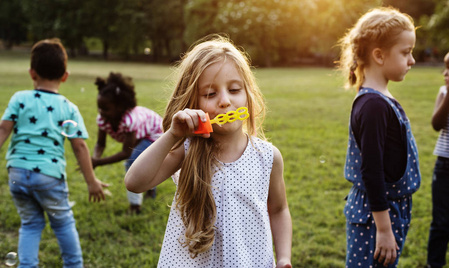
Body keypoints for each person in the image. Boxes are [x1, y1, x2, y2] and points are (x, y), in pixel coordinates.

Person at [124, 35, 292, 267]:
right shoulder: (187, 150)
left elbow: (280, 209)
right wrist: (173, 135)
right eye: (210, 94)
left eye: (234, 89)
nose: (224, 101)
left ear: (248, 94)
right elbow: (135, 182)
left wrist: (283, 257)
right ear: (193, 103)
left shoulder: (267, 157)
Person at [0, 38, 107, 268]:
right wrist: (91, 181)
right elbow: (79, 146)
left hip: (17, 174)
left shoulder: (19, 98)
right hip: (49, 176)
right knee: (63, 224)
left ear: (32, 73)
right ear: (65, 76)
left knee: (29, 224)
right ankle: (74, 265)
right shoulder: (68, 107)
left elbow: (3, 130)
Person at [337, 7, 421, 267]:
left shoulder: (380, 99)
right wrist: (384, 230)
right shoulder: (373, 106)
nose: (412, 60)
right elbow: (372, 171)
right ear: (379, 55)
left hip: (388, 211)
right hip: (376, 217)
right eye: (406, 52)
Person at [92, 72, 163, 214]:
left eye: (105, 108)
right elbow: (100, 144)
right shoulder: (102, 120)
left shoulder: (129, 120)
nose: (101, 112)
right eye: (99, 107)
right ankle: (150, 188)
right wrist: (95, 158)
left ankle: (135, 206)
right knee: (144, 162)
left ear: (120, 107)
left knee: (133, 162)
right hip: (140, 134)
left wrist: (98, 163)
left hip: (155, 134)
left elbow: (126, 153)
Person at [427, 51, 449, 268]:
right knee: (441, 222)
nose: (445, 73)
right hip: (444, 165)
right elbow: (436, 124)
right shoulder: (444, 92)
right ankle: (434, 264)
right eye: (446, 68)